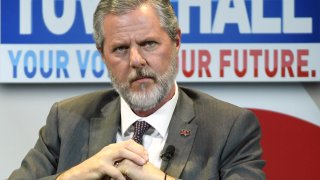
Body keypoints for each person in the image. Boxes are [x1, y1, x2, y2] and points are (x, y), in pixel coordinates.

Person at [9, 0, 265, 179]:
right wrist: (74, 176)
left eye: (149, 44)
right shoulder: (67, 120)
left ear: (176, 41)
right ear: (102, 54)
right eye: (120, 48)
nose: (136, 60)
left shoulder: (228, 127)